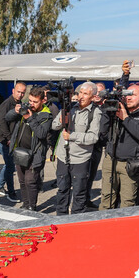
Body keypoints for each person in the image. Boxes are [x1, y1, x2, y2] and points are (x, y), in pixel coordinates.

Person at [100, 84, 139, 209]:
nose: (128, 98)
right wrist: (106, 111)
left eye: (133, 95)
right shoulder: (117, 110)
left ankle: (124, 226)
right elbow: (102, 131)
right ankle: (103, 223)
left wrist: (125, 118)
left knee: (128, 200)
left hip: (130, 164)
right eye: (126, 95)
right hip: (111, 159)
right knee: (107, 196)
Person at [51, 82, 103, 215]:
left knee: (79, 193)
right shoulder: (70, 108)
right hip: (63, 157)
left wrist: (72, 136)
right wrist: (63, 115)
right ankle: (60, 218)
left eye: (86, 94)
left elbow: (93, 138)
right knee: (62, 190)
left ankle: (75, 220)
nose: (81, 96)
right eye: (80, 92)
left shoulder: (95, 113)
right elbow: (54, 126)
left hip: (80, 159)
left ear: (93, 97)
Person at [5, 86, 52, 210]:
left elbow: (41, 133)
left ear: (43, 101)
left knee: (30, 182)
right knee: (21, 181)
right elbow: (8, 118)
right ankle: (25, 205)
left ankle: (32, 207)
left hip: (35, 153)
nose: (31, 104)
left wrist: (30, 118)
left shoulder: (46, 115)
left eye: (35, 102)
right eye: (30, 100)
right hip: (20, 151)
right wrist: (15, 111)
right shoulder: (25, 107)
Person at [0, 82, 27, 201]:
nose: (20, 94)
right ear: (13, 91)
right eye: (18, 91)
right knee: (10, 167)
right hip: (5, 141)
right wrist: (8, 138)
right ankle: (11, 192)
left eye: (23, 92)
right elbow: (1, 122)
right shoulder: (6, 104)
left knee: (8, 165)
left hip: (12, 140)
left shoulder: (20, 104)